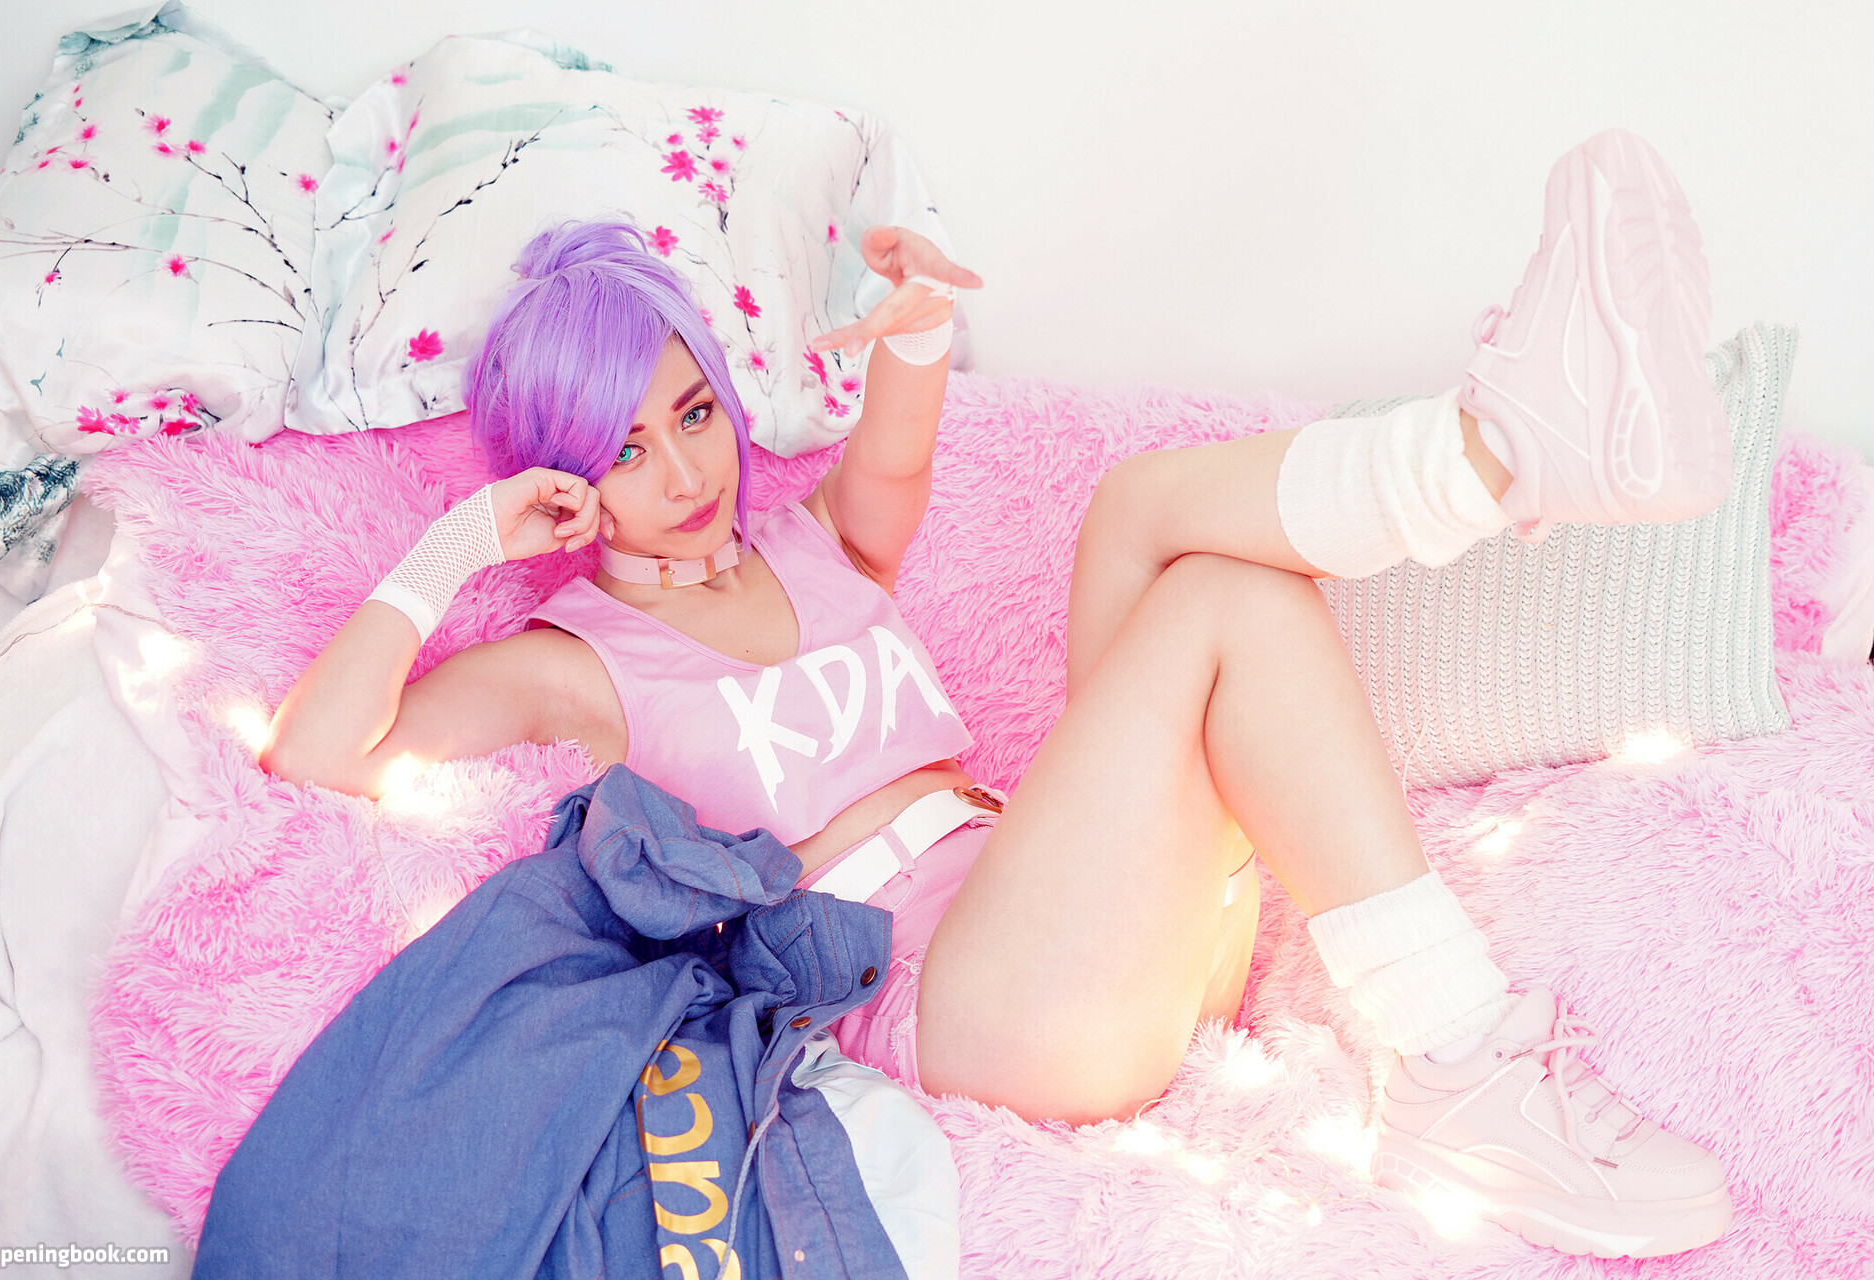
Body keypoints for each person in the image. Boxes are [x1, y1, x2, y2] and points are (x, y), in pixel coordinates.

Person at [261, 128, 1734, 1259]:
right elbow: (316, 757)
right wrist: (461, 546)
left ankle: (1503, 457)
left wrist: (911, 310)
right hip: (968, 1009)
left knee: (1139, 509)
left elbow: (898, 445)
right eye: (625, 450)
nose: (686, 470)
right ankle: (1458, 1056)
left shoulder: (815, 546)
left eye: (694, 412)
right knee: (1218, 600)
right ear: (561, 477)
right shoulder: (571, 662)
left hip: (1092, 925)